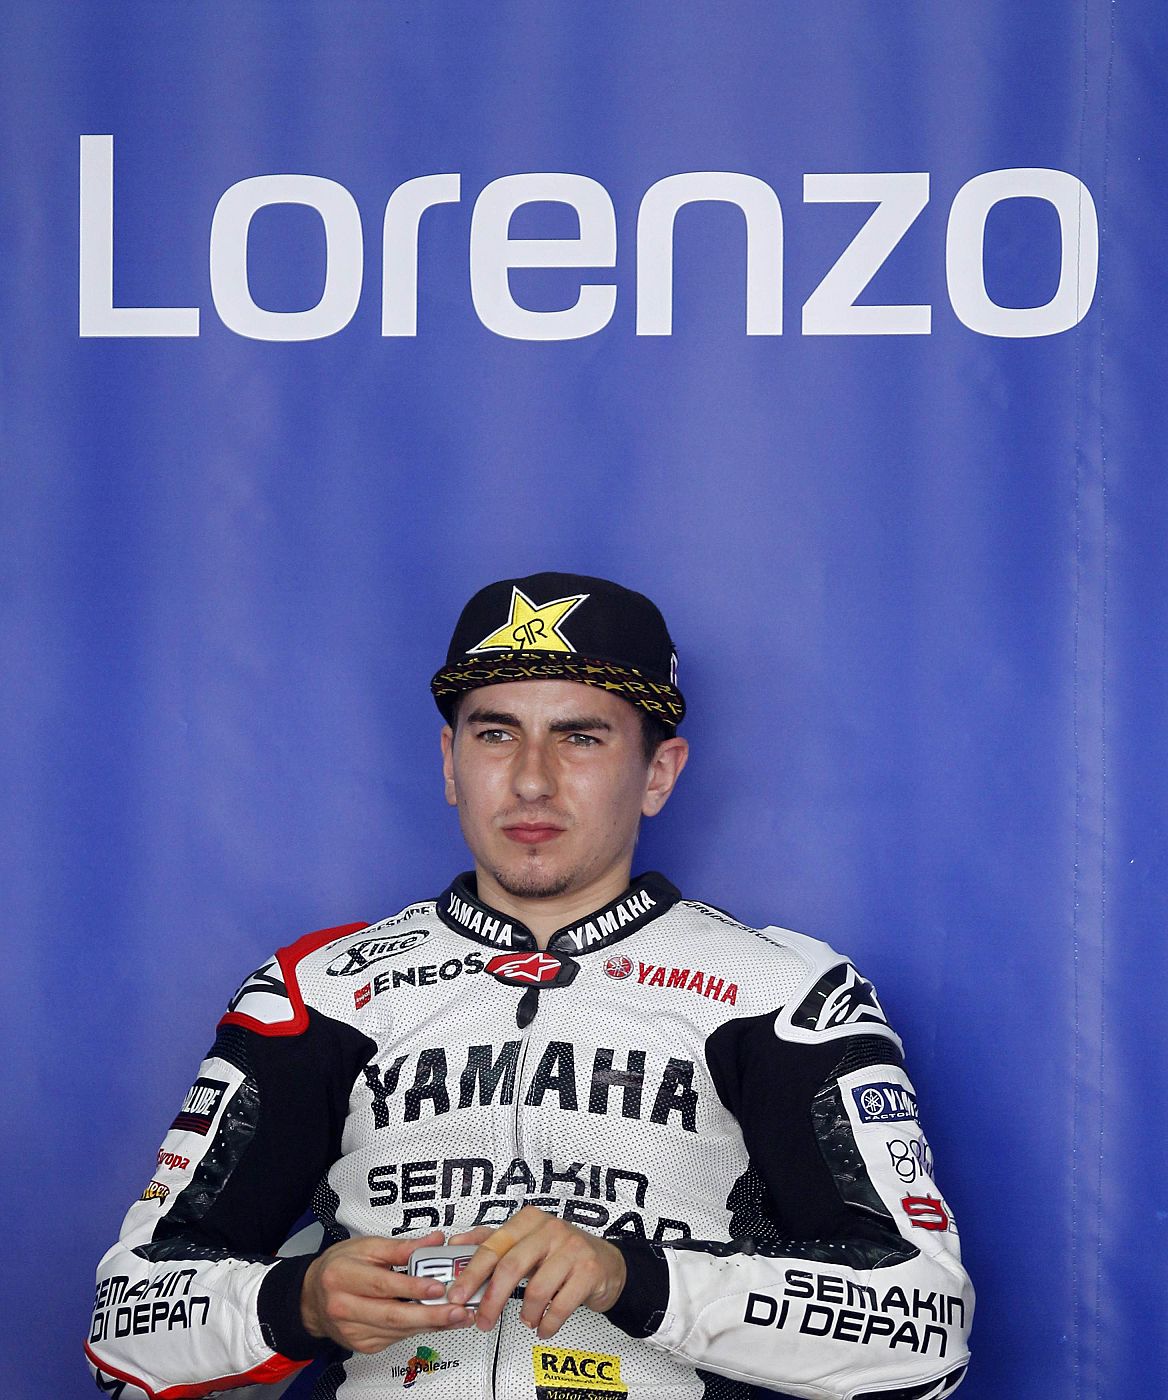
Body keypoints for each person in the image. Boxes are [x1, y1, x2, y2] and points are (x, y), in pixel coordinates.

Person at [87, 572, 973, 1400]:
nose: (531, 779)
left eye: (581, 737)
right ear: (448, 762)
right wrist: (299, 1304)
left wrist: (636, 1278)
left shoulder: (783, 992)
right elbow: (122, 1326)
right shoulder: (317, 990)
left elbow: (926, 1331)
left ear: (658, 774)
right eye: (495, 732)